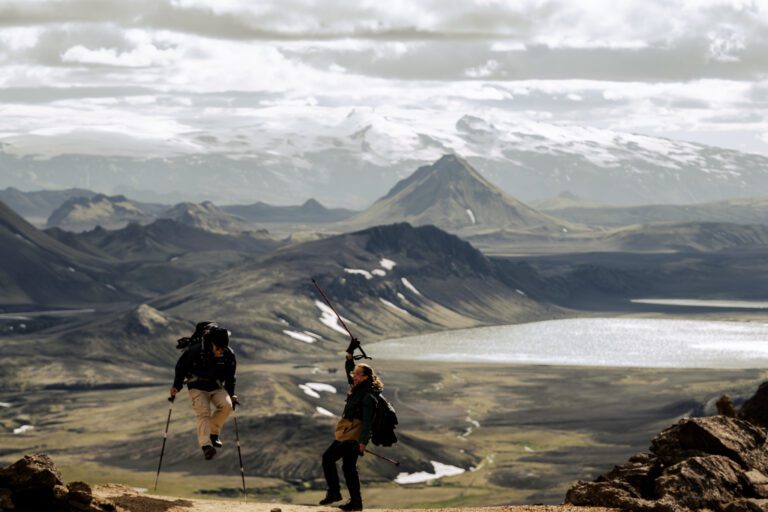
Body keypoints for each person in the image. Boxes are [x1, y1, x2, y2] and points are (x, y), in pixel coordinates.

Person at [320, 339, 383, 511]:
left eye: (357, 374)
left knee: (328, 458)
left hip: (353, 436)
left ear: (366, 377)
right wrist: (350, 352)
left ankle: (334, 493)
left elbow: (368, 422)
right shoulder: (357, 387)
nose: (353, 375)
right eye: (355, 373)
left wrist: (362, 442)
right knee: (348, 468)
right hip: (350, 433)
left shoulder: (368, 396)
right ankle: (356, 503)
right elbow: (349, 369)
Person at [170, 325, 238, 460]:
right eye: (218, 348)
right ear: (212, 343)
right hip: (197, 386)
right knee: (203, 412)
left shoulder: (228, 354)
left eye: (223, 348)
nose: (220, 351)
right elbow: (181, 367)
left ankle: (213, 433)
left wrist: (231, 394)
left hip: (216, 386)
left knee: (227, 406)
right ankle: (206, 446)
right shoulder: (195, 351)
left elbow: (231, 376)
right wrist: (177, 386)